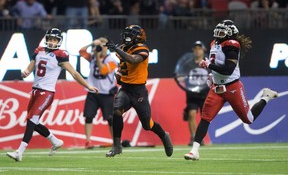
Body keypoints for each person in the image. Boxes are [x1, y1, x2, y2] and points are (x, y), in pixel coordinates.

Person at [184, 20, 278, 161]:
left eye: (222, 32)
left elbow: (228, 70)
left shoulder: (232, 45)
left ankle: (266, 97)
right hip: (216, 89)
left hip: (232, 87)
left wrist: (209, 65)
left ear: (230, 34)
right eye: (218, 31)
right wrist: (212, 75)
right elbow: (217, 65)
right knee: (205, 118)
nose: (218, 34)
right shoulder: (214, 43)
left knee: (248, 119)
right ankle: (194, 151)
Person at [6, 28, 98, 162]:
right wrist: (25, 72)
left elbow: (74, 73)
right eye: (50, 39)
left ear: (58, 41)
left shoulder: (60, 55)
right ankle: (55, 141)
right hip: (35, 91)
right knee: (33, 122)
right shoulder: (39, 51)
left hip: (47, 92)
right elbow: (31, 67)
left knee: (32, 119)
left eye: (54, 39)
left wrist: (88, 86)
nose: (51, 42)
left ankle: (19, 152)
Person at [104, 24, 173, 157]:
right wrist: (119, 73)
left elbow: (133, 60)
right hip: (125, 89)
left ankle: (164, 135)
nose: (126, 37)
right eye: (126, 34)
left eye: (130, 35)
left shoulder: (143, 49)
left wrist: (117, 50)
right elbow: (123, 64)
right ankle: (117, 146)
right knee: (116, 111)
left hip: (139, 91)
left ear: (138, 38)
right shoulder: (123, 48)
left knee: (147, 124)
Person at [79, 37, 118, 149]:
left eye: (103, 45)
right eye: (100, 46)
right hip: (93, 92)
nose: (101, 48)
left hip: (107, 93)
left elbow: (103, 71)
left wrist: (96, 56)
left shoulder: (112, 60)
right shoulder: (92, 57)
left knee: (110, 118)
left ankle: (115, 141)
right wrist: (91, 44)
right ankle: (88, 141)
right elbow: (81, 52)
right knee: (89, 116)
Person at [174, 41, 209, 146]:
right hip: (192, 94)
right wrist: (180, 77)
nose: (197, 51)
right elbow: (181, 74)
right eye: (195, 48)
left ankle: (200, 137)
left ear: (204, 50)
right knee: (191, 114)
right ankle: (193, 136)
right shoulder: (188, 64)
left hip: (204, 94)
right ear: (193, 50)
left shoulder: (208, 63)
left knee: (205, 117)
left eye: (199, 48)